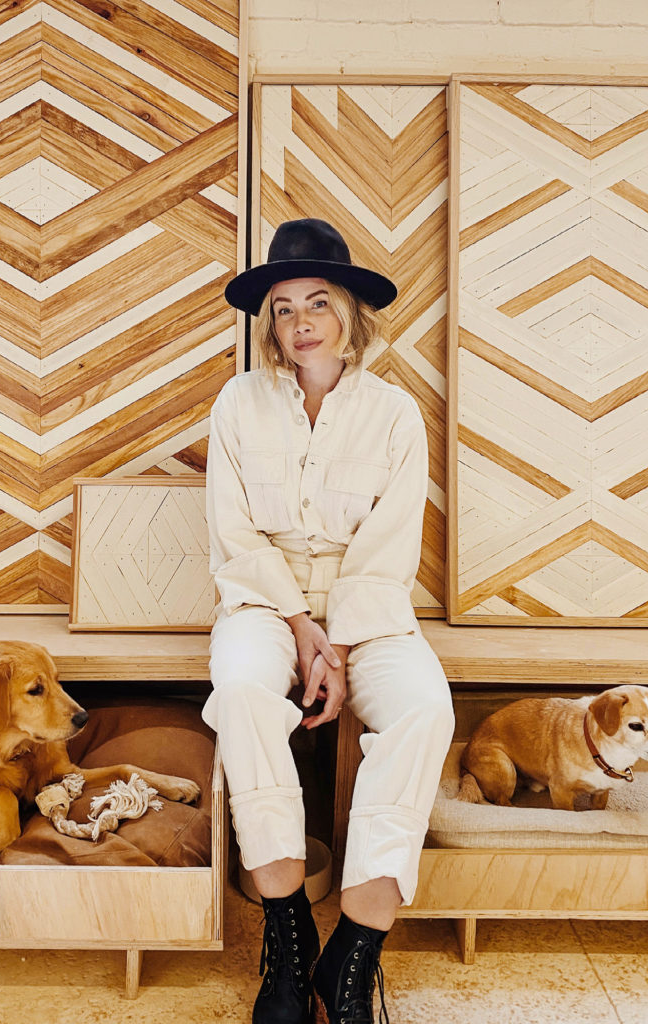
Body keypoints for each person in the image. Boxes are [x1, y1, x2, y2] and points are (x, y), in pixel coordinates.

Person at [202, 218, 455, 1024]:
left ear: (348, 310)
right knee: (242, 690)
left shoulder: (394, 414)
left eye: (317, 302)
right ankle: (287, 933)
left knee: (425, 708)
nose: (301, 321)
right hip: (262, 600)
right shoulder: (238, 404)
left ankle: (355, 948)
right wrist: (296, 623)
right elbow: (233, 533)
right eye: (282, 308)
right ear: (268, 322)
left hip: (368, 609)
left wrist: (336, 643)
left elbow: (386, 548)